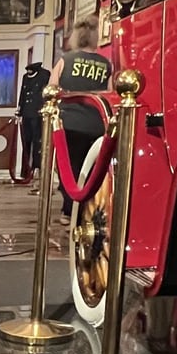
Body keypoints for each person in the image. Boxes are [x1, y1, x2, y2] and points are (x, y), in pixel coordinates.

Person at [47, 20, 112, 222]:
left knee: (70, 168)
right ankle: (86, 212)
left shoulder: (65, 60)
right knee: (92, 170)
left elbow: (51, 89)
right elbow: (110, 94)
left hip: (70, 123)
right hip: (97, 124)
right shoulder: (106, 64)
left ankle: (68, 211)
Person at [16, 59, 47, 181]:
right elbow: (23, 94)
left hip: (36, 113)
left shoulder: (44, 75)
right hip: (26, 113)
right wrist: (20, 109)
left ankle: (36, 168)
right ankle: (26, 169)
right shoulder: (26, 77)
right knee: (26, 141)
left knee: (37, 141)